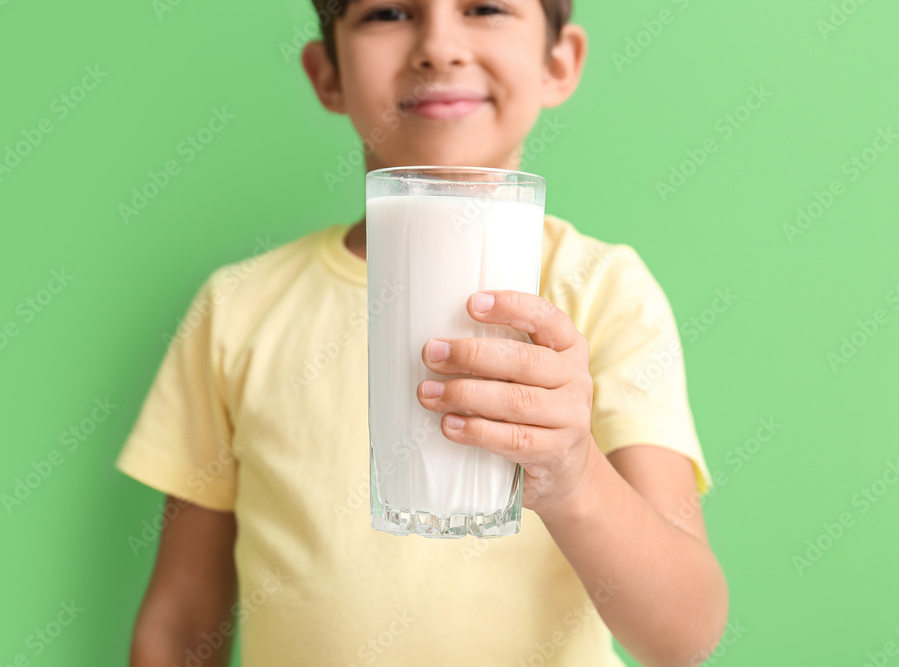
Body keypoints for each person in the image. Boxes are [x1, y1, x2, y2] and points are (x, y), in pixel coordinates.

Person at [116, 1, 729, 665]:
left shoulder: (602, 292)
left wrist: (575, 477)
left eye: (486, 8)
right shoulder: (237, 309)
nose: (439, 47)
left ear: (559, 63)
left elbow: (682, 635)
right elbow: (180, 622)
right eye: (388, 12)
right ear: (328, 75)